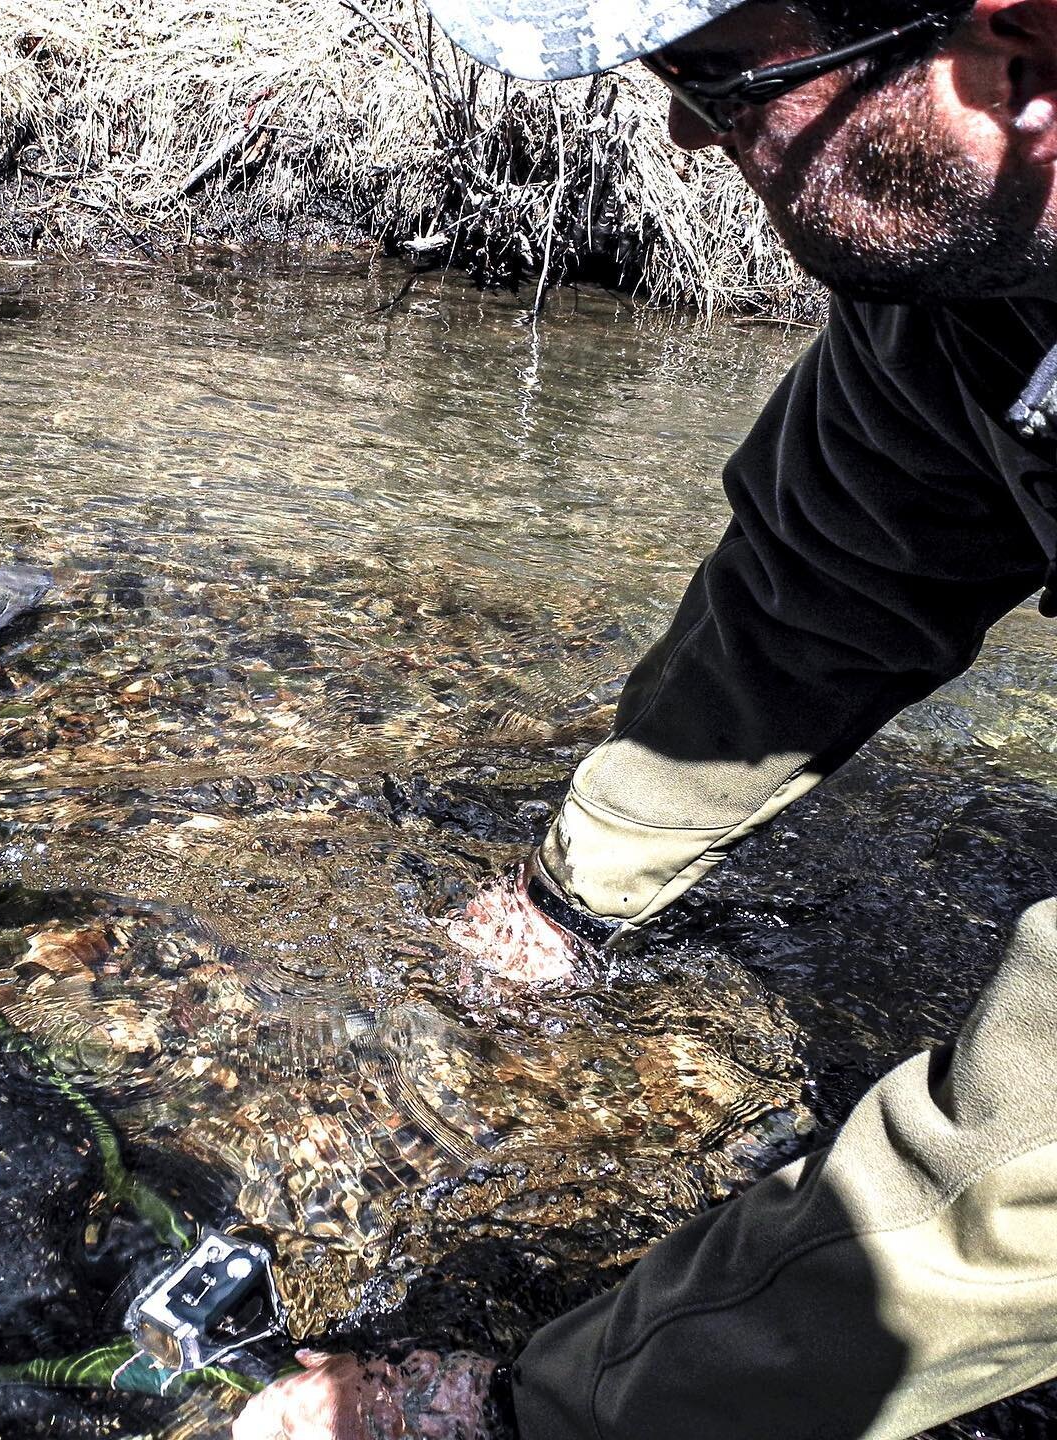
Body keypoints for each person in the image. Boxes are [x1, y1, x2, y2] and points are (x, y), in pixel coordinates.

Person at [233, 1, 1057, 1436]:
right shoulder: (982, 262)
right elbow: (839, 568)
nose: (680, 132)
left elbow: (1024, 1169)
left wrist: (531, 1417)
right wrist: (572, 896)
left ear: (1019, 51)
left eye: (721, 81)